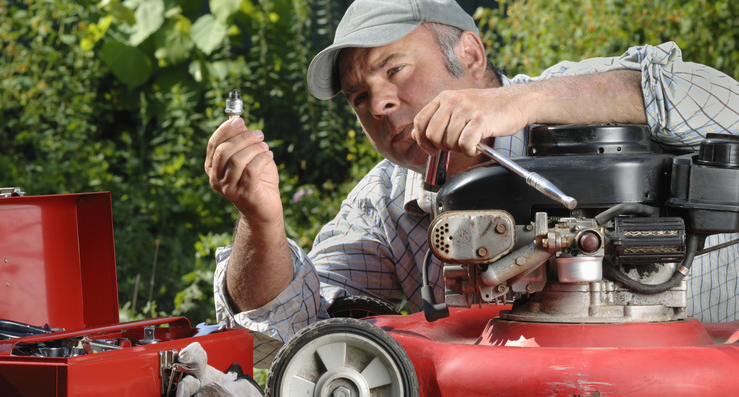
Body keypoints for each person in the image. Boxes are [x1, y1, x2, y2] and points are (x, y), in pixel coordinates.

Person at [204, 0, 739, 367]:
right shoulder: (385, 204)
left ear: (470, 55)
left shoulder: (577, 95)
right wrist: (262, 222)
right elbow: (286, 338)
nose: (380, 104)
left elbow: (720, 101)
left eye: (393, 70)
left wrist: (521, 103)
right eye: (359, 97)